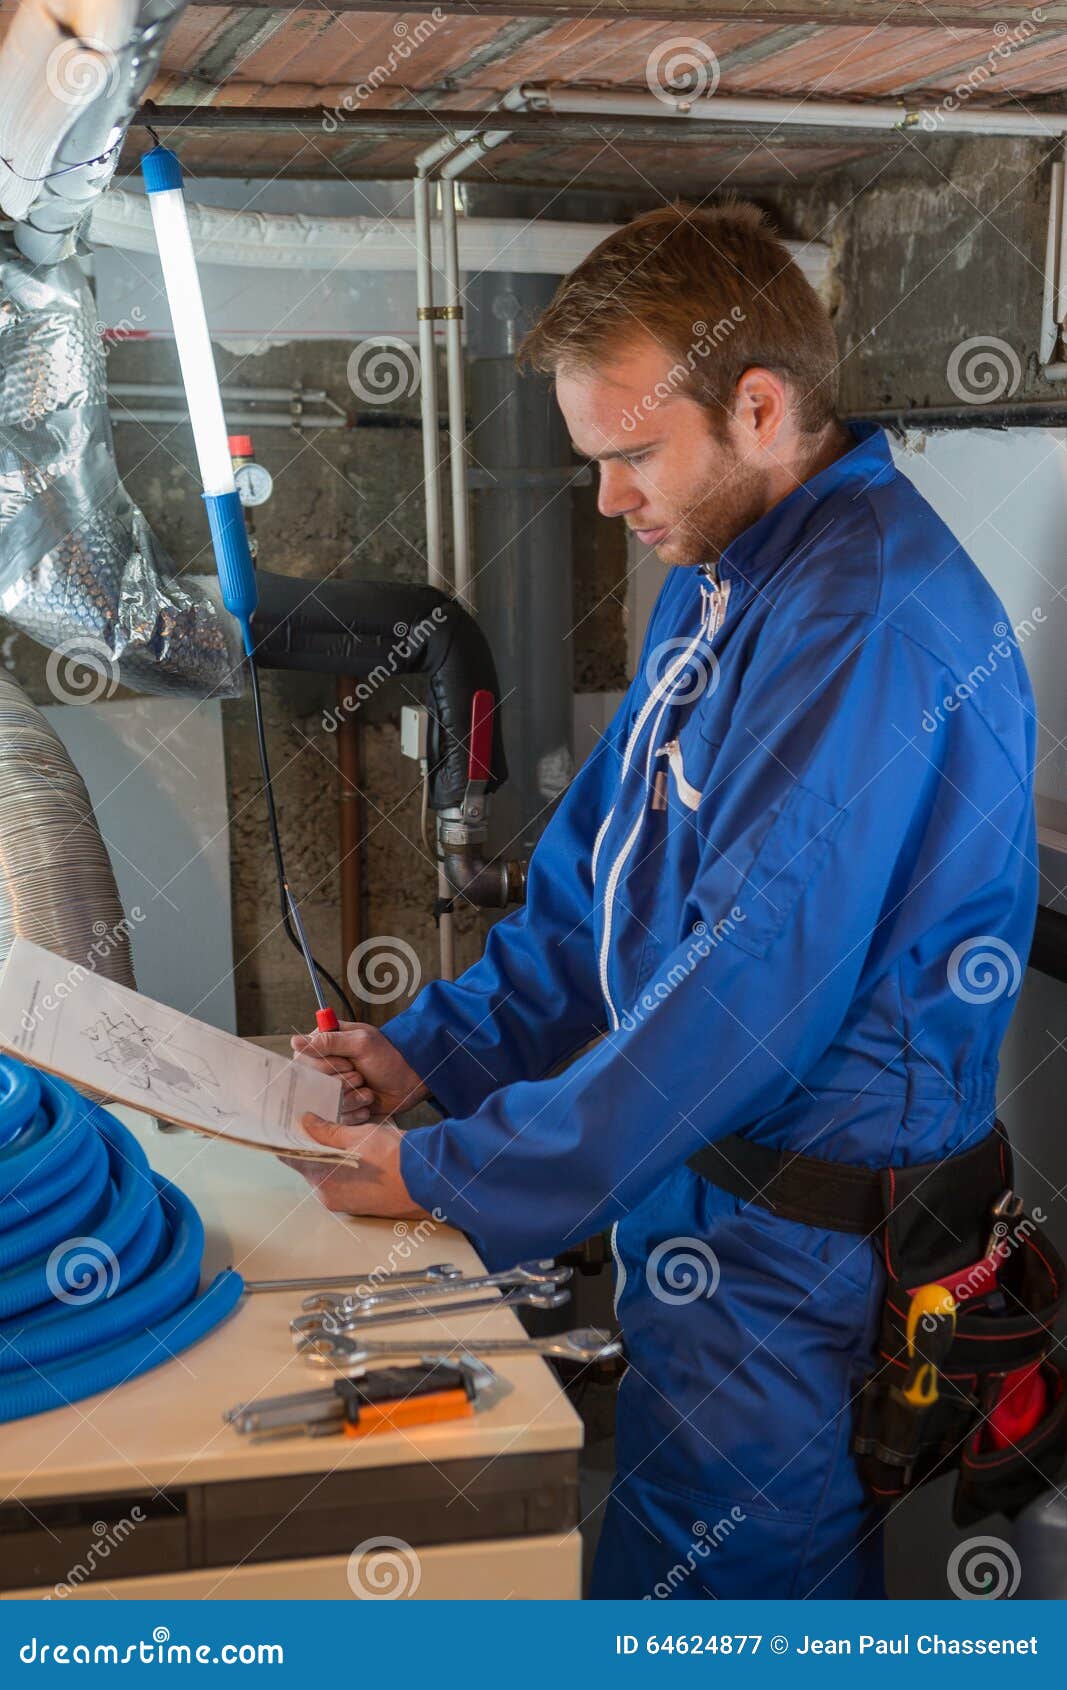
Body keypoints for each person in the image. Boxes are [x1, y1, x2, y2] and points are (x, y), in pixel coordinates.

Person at [287, 203, 1037, 1599]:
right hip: (711, 1216)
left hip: (798, 1259)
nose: (611, 501)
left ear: (759, 408)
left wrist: (454, 1172)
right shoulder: (725, 579)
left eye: (632, 455)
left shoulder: (861, 620)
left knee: (723, 1609)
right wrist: (429, 1050)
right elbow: (601, 883)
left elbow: (744, 998)